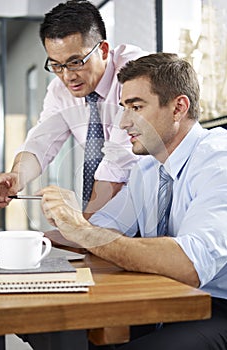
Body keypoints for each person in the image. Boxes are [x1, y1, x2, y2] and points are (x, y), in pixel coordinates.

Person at [38, 53, 227, 350]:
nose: (124, 123)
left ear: (178, 107)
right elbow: (101, 230)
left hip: (216, 307)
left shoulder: (219, 161)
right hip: (165, 298)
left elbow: (189, 264)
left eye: (136, 108)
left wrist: (84, 230)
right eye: (124, 107)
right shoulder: (147, 169)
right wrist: (57, 225)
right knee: (63, 331)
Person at [0, 0, 146, 219]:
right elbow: (41, 142)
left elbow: (118, 163)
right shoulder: (60, 90)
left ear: (104, 50)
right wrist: (16, 177)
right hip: (109, 216)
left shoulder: (135, 73)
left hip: (150, 205)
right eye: (56, 65)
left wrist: (84, 228)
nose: (67, 76)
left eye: (76, 62)